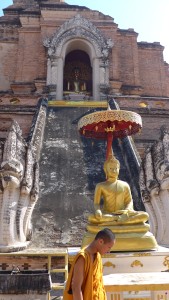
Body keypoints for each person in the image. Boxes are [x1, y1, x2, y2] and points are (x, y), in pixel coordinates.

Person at [88, 154, 149, 226]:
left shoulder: (125, 185)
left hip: (124, 213)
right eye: (111, 168)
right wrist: (98, 210)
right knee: (91, 218)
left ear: (119, 169)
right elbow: (96, 203)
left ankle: (116, 221)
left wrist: (126, 212)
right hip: (108, 214)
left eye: (115, 168)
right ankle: (117, 219)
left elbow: (129, 201)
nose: (114, 170)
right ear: (106, 170)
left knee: (145, 215)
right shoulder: (101, 186)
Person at [63, 228, 115, 300]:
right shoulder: (83, 258)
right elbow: (76, 287)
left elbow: (98, 284)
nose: (109, 251)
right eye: (109, 247)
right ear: (101, 241)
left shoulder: (98, 256)